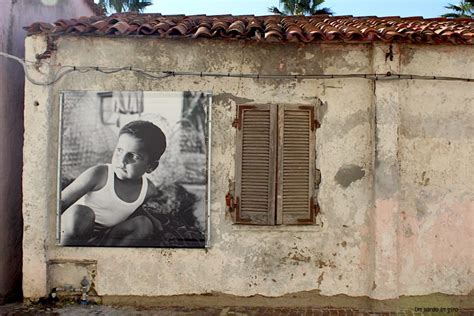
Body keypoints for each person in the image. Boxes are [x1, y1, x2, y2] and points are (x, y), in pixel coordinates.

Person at [60, 120, 166, 246]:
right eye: (119, 150)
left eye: (133, 156)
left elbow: (132, 208)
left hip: (104, 236)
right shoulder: (99, 174)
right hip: (72, 230)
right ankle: (65, 253)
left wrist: (153, 220)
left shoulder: (148, 189)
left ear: (151, 166)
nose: (122, 160)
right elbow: (62, 201)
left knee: (144, 224)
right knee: (81, 214)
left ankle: (107, 254)